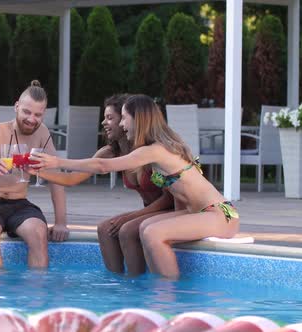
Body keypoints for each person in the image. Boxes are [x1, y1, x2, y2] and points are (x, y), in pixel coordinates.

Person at [31, 94, 239, 279]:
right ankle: (144, 285)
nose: (122, 125)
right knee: (143, 228)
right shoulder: (151, 149)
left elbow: (102, 166)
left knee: (153, 232)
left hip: (222, 214)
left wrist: (57, 162)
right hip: (198, 213)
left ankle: (171, 296)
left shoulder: (155, 150)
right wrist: (38, 171)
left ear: (137, 119)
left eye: (124, 118)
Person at [27, 94, 174, 275]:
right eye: (104, 118)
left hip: (169, 209)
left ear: (126, 119)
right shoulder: (110, 152)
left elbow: (170, 198)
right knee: (104, 229)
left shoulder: (149, 151)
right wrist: (37, 172)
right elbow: (72, 179)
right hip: (149, 211)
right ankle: (116, 282)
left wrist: (133, 216)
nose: (104, 123)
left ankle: (135, 284)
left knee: (126, 230)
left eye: (110, 118)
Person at [0, 80, 69, 268]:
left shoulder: (42, 134)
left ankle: (37, 293)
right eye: (27, 112)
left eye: (38, 114)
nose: (31, 119)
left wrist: (61, 222)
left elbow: (56, 176)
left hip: (19, 204)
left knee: (38, 232)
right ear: (16, 107)